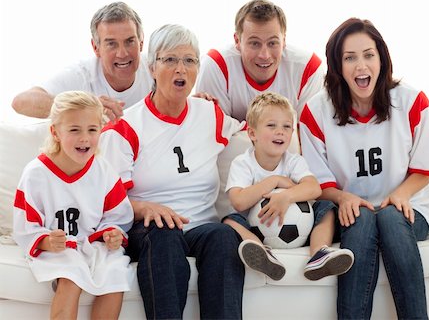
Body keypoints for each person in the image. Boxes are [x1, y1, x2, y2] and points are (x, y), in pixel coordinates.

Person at [100, 24, 246, 319]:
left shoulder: (210, 114)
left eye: (190, 60)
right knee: (165, 235)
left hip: (200, 226)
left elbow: (255, 132)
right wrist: (146, 208)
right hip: (150, 230)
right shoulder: (126, 128)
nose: (181, 69)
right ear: (151, 68)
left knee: (223, 236)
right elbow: (108, 200)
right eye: (170, 60)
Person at [299, 18, 429, 319]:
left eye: (368, 54)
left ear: (381, 59)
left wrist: (400, 194)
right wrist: (342, 198)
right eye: (350, 57)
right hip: (352, 214)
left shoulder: (412, 101)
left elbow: (424, 171)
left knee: (388, 217)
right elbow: (318, 183)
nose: (361, 65)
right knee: (362, 219)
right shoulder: (315, 111)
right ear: (337, 65)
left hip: (408, 212)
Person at [12, 91, 134, 320]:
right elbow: (24, 225)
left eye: (92, 129)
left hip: (92, 243)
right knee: (70, 273)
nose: (85, 138)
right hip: (57, 248)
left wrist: (111, 233)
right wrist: (47, 240)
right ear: (55, 132)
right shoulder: (36, 174)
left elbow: (118, 215)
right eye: (74, 130)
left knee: (115, 273)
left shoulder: (103, 171)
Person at [224, 92, 354, 281]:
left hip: (301, 229)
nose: (280, 131)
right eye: (271, 125)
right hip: (257, 229)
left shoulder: (293, 161)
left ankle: (319, 253)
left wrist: (286, 196)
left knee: (327, 209)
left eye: (287, 126)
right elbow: (238, 201)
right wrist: (275, 181)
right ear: (252, 133)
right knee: (229, 221)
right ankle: (261, 252)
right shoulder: (243, 163)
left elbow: (314, 189)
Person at [11, 1, 153, 122]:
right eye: (111, 44)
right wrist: (83, 107)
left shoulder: (156, 68)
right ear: (96, 48)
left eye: (130, 41)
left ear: (141, 42)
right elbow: (21, 102)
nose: (122, 53)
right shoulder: (82, 75)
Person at [195, 0, 324, 123]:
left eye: (272, 43)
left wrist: (234, 128)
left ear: (284, 40)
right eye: (254, 43)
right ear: (237, 41)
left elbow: (306, 138)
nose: (264, 55)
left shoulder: (308, 68)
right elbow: (214, 135)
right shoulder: (216, 65)